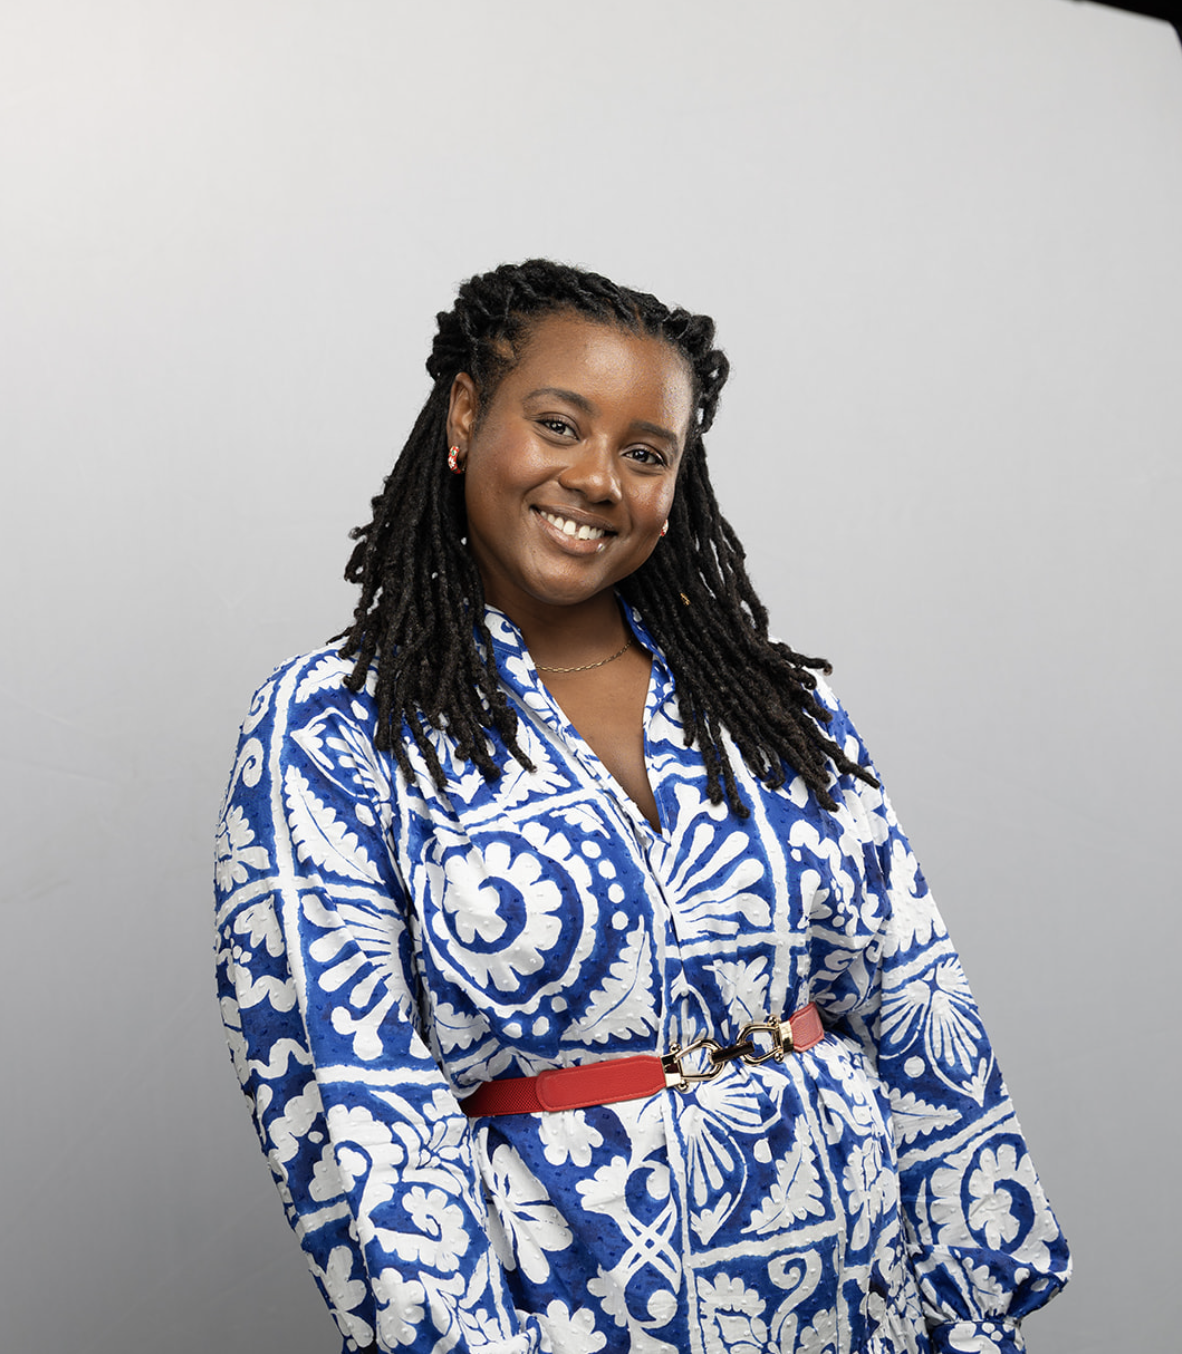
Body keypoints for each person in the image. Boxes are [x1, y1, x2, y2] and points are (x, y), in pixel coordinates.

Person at [214, 259, 1069, 1354]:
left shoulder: (774, 704)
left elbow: (916, 1002)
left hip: (863, 1291)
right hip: (573, 1307)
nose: (599, 479)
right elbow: (355, 1111)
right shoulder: (332, 728)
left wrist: (973, 1311)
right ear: (467, 417)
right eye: (560, 424)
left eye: (645, 452)